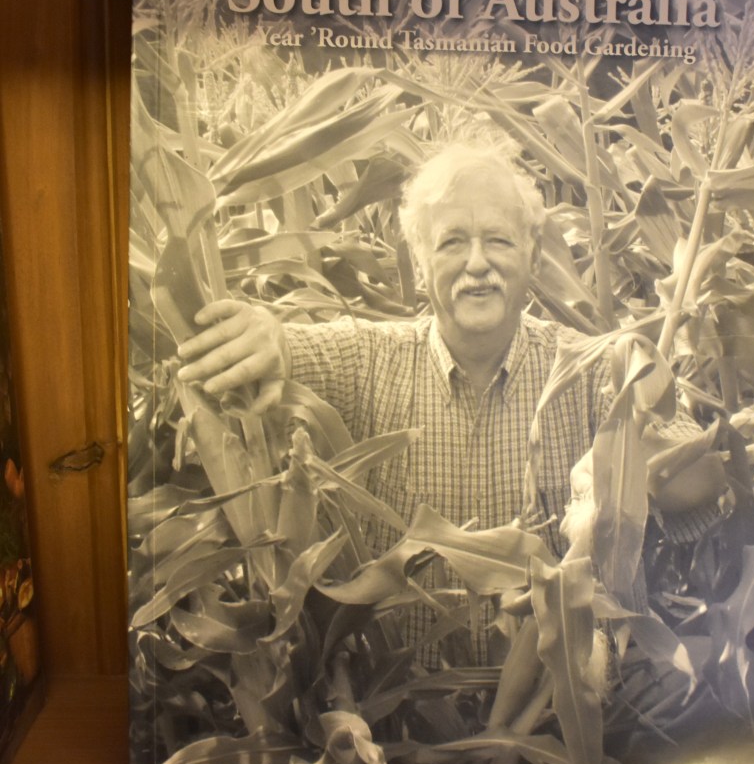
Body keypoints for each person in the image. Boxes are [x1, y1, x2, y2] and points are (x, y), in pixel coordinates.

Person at [176, 140, 708, 664]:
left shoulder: (596, 371)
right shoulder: (366, 360)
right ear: (420, 261)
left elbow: (701, 479)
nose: (477, 263)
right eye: (452, 242)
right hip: (400, 720)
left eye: (497, 240)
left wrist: (634, 453)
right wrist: (266, 335)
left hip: (562, 717)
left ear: (532, 252)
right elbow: (287, 348)